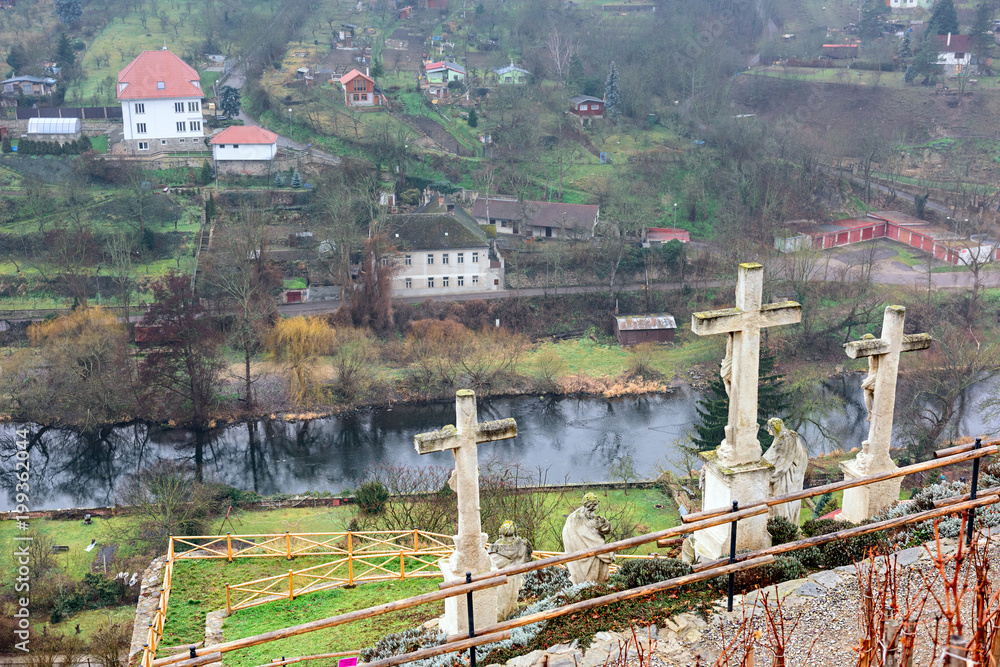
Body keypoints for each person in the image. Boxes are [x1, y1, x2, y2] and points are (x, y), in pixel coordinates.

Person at [763, 418, 809, 524]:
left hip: (788, 475)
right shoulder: (789, 436)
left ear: (773, 428)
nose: (767, 430)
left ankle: (782, 523)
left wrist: (766, 475)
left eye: (769, 428)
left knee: (780, 497)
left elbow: (780, 462)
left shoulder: (784, 440)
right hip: (789, 472)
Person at [562, 493, 614, 584]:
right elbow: (595, 540)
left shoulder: (572, 517)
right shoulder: (585, 520)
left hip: (575, 556)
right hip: (583, 556)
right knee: (594, 579)